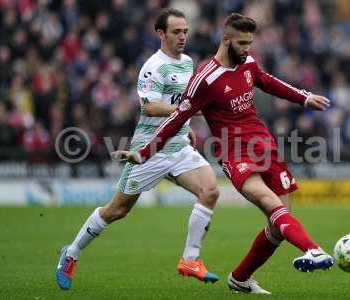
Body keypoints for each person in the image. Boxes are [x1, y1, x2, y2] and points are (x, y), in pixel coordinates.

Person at [113, 13, 334, 294]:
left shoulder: (249, 62)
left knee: (278, 227)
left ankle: (240, 279)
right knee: (269, 202)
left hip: (265, 146)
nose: (247, 49)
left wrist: (303, 97)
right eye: (242, 43)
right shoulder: (205, 78)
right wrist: (144, 152)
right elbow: (178, 118)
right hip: (235, 153)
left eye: (250, 43)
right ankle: (313, 250)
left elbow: (268, 81)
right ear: (226, 40)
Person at [56, 8, 220, 290]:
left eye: (185, 31)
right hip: (148, 149)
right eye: (176, 32)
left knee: (210, 191)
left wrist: (185, 124)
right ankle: (71, 254)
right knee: (116, 210)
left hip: (179, 145)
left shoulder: (188, 62)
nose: (183, 36)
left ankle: (190, 259)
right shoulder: (153, 66)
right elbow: (151, 106)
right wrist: (185, 112)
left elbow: (181, 100)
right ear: (161, 34)